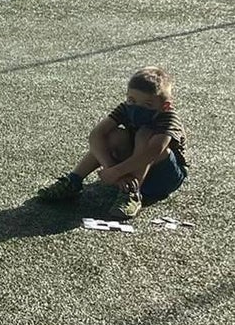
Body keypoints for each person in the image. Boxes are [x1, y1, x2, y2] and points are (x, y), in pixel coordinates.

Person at [37, 66, 188, 220]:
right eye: (132, 100)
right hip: (128, 168)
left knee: (145, 134)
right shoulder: (126, 108)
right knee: (113, 136)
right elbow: (96, 135)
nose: (136, 107)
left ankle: (132, 194)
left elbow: (153, 152)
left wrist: (116, 172)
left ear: (165, 106)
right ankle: (73, 181)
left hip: (164, 178)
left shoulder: (169, 118)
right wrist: (111, 168)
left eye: (147, 104)